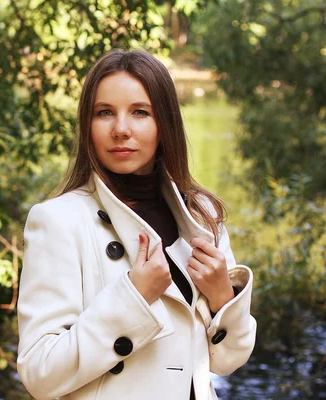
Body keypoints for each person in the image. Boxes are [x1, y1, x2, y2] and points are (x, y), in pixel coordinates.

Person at [16, 49, 256, 400]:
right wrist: (132, 298)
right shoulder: (58, 220)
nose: (121, 129)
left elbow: (227, 361)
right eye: (104, 113)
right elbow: (40, 373)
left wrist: (223, 298)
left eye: (140, 112)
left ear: (165, 124)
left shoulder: (201, 215)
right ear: (88, 124)